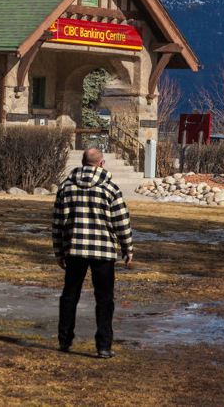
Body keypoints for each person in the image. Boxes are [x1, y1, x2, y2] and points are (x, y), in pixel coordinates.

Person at [53, 147, 134, 358]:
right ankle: (104, 346)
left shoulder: (66, 187)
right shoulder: (110, 189)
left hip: (74, 249)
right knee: (105, 299)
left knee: (70, 296)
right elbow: (121, 222)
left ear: (82, 162)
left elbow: (58, 223)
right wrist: (128, 248)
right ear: (101, 163)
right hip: (103, 252)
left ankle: (64, 340)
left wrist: (59, 251)